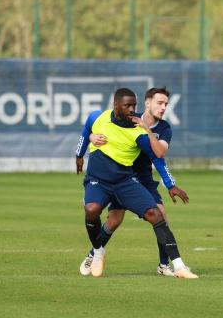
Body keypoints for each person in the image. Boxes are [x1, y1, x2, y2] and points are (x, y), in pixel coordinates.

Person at [75, 87, 198, 279]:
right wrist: (87, 142)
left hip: (140, 178)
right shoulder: (126, 118)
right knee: (113, 221)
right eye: (159, 103)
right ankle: (95, 252)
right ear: (147, 104)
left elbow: (159, 155)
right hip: (123, 174)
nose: (163, 107)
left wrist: (170, 184)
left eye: (166, 104)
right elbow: (92, 128)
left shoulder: (160, 128)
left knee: (160, 214)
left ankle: (166, 265)